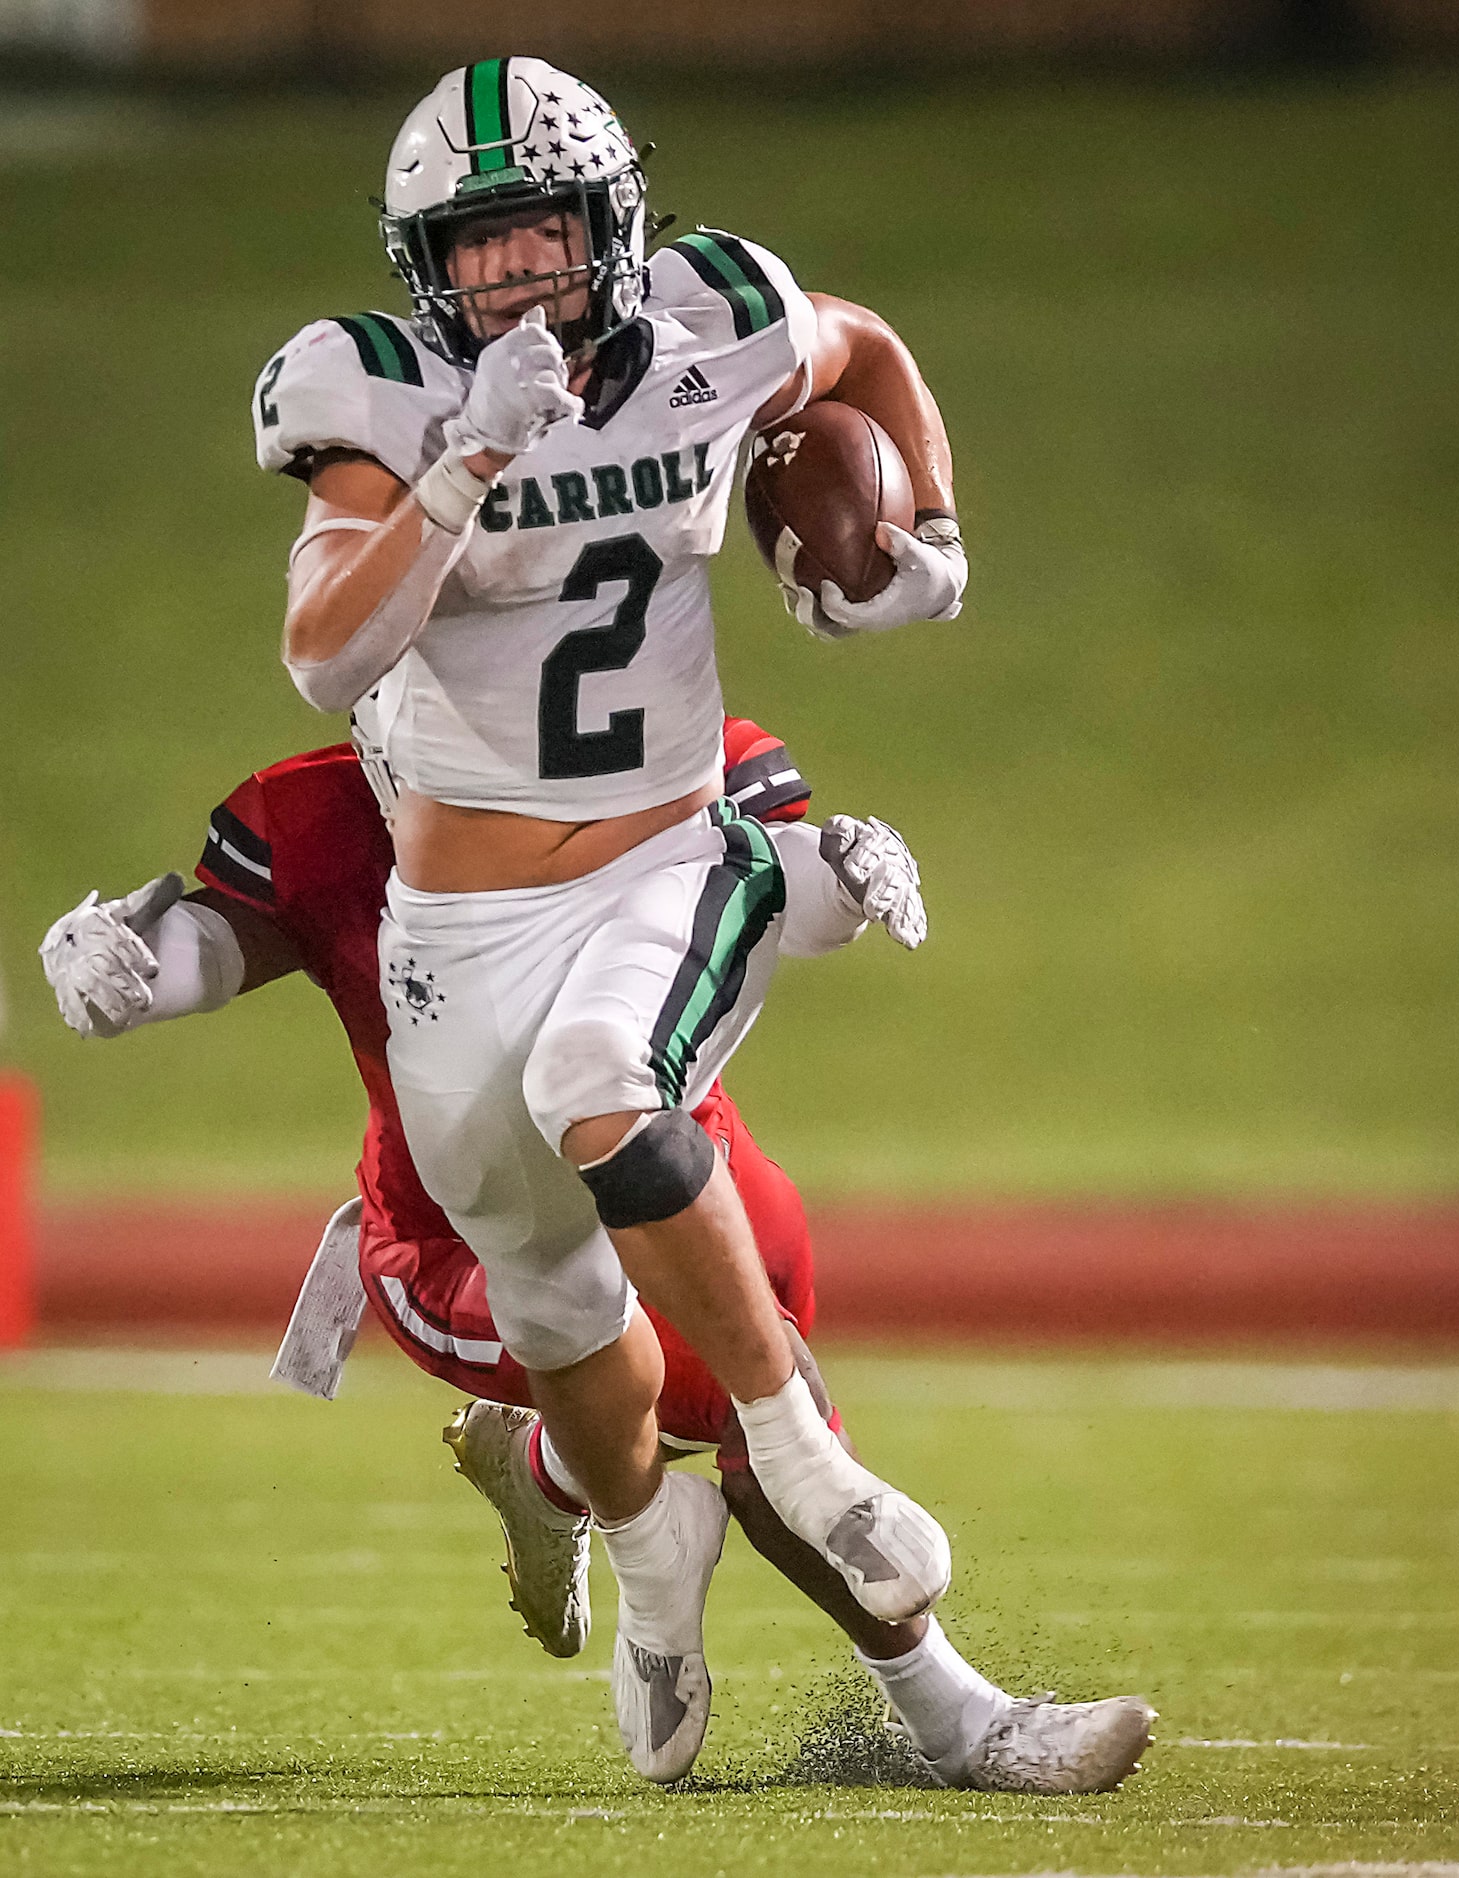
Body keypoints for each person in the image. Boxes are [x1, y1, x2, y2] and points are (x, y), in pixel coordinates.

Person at [253, 51, 971, 1778]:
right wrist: (465, 463)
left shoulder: (714, 308)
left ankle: (805, 1461)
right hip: (453, 926)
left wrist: (924, 528)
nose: (513, 274)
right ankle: (653, 1588)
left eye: (539, 234)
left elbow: (856, 344)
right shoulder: (374, 387)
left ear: (609, 220)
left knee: (604, 1074)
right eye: (474, 246)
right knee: (566, 1325)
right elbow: (325, 652)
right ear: (426, 263)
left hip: (661, 848)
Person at [40, 722, 1155, 1795]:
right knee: (725, 1397)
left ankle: (552, 1474)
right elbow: (230, 932)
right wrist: (142, 967)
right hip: (465, 1223)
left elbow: (764, 875)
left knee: (770, 1413)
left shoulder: (644, 733)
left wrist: (839, 868)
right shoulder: (327, 809)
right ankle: (955, 1720)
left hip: (678, 1148)